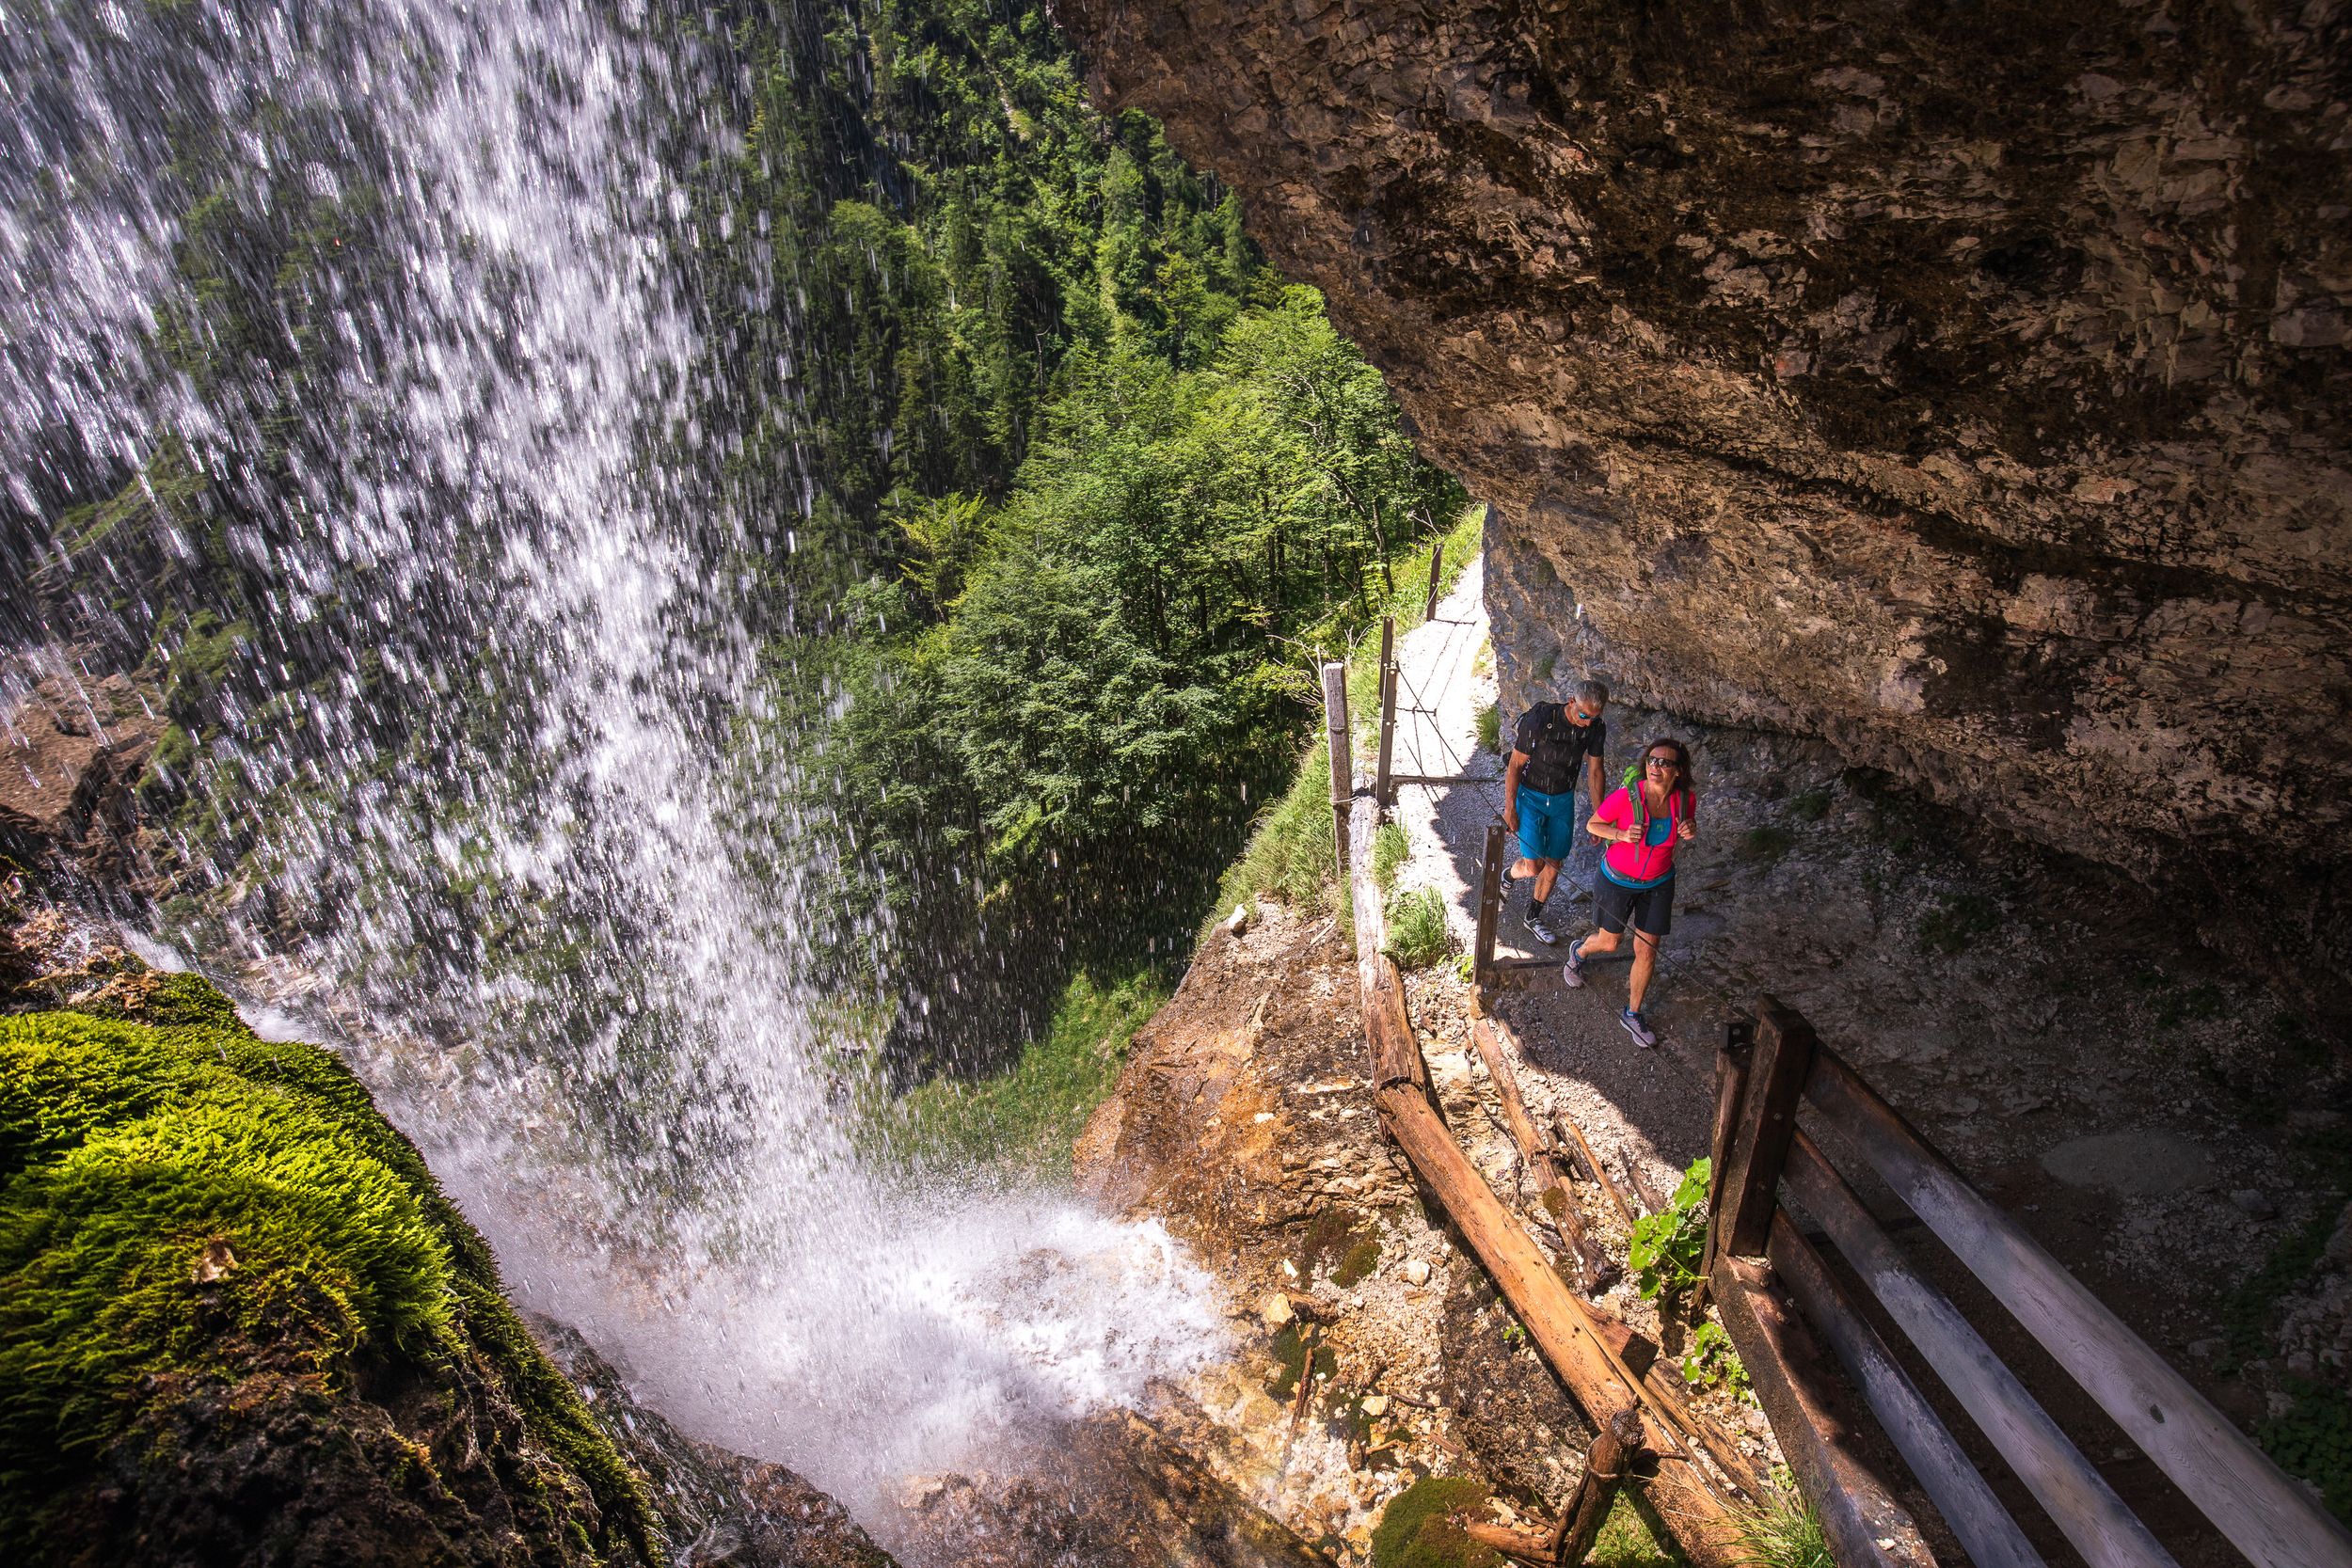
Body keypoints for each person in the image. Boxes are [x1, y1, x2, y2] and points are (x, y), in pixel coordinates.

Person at [1561, 737, 1695, 1048]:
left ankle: (1632, 1013)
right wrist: (1621, 834)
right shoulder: (1627, 797)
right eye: (1651, 760)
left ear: (1679, 770)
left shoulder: (1686, 799)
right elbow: (1594, 825)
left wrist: (1691, 829)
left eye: (1664, 762)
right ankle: (1580, 951)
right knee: (1609, 943)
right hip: (1617, 880)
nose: (1655, 767)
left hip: (1659, 882)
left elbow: (1689, 825)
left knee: (1647, 950)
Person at [1501, 679, 1610, 944]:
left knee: (1555, 862)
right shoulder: (1541, 719)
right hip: (1532, 796)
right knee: (1533, 866)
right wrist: (1510, 809)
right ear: (1571, 702)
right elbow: (1515, 765)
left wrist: (1600, 817)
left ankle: (1533, 917)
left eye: (1594, 717)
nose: (1587, 722)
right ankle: (1508, 875)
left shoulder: (1595, 727)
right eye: (1584, 715)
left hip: (1563, 799)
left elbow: (1595, 771)